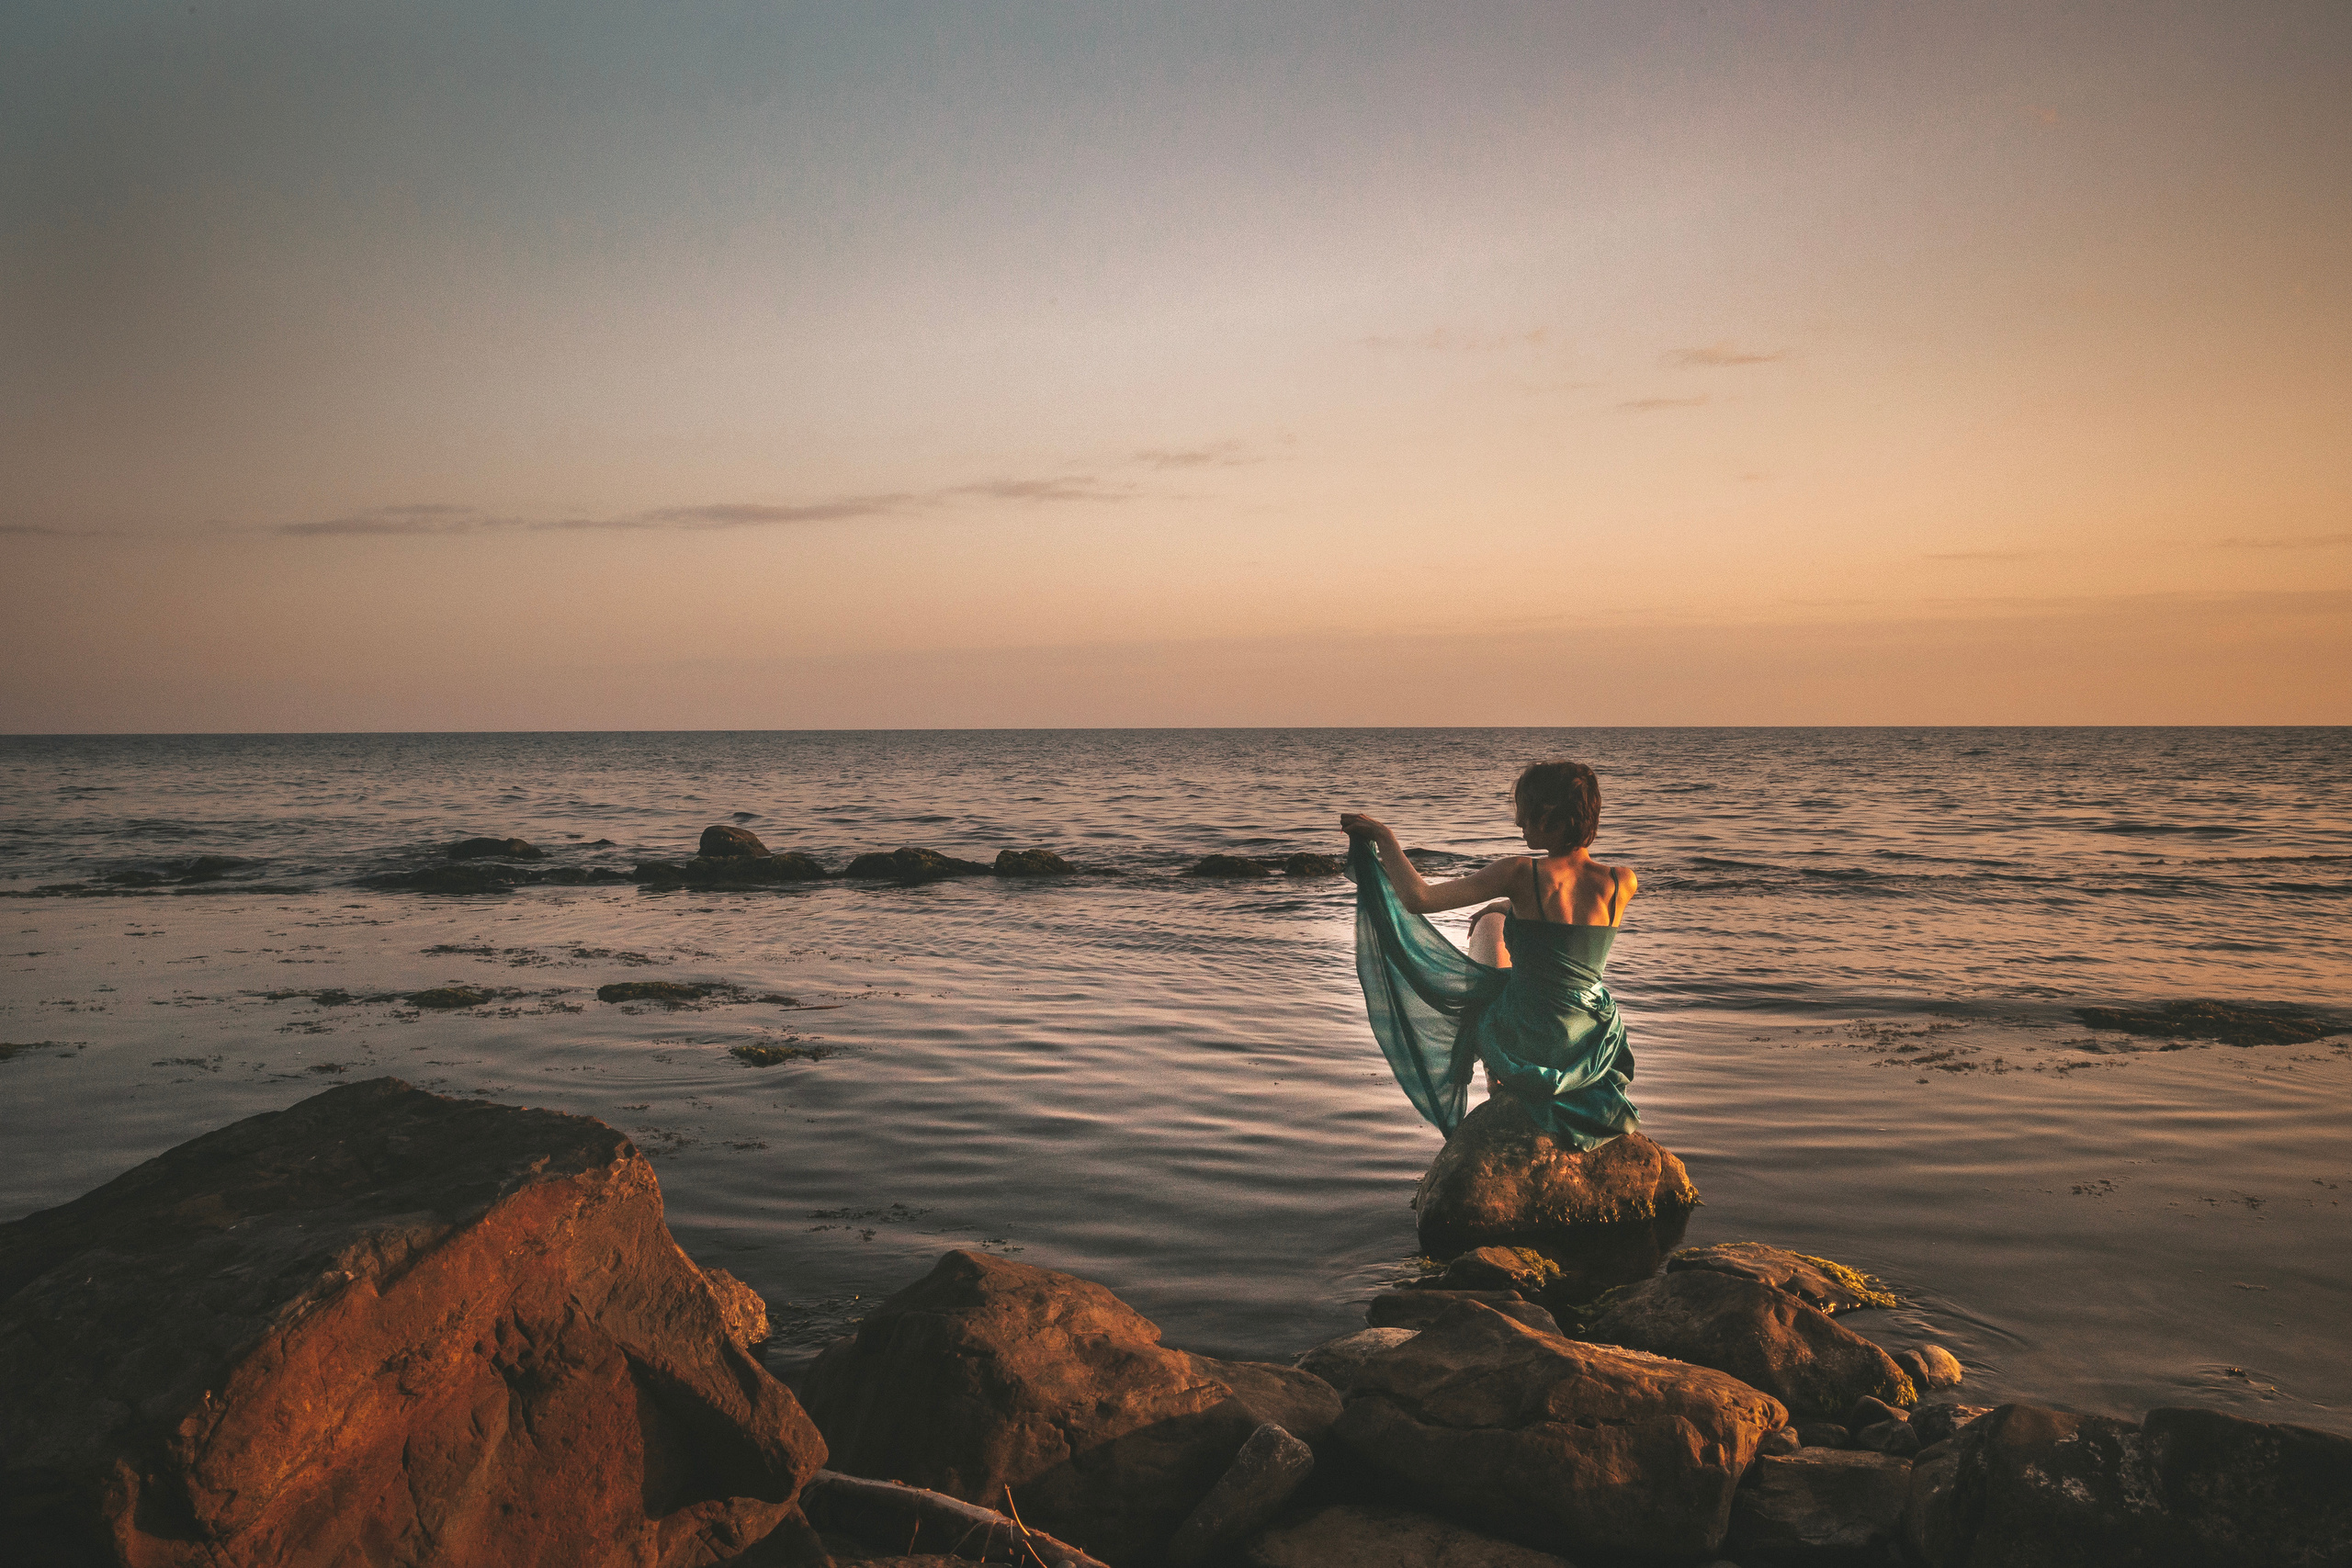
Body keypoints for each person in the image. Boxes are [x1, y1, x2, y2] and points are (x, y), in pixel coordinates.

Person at [1340, 759, 1641, 1148]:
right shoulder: (1621, 881)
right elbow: (1562, 934)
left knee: (1487, 946)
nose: (1519, 822)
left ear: (1549, 814)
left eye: (1524, 810)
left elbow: (1419, 899)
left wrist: (1385, 837)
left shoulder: (1519, 873)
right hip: (1587, 1038)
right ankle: (1517, 1085)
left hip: (1530, 1036)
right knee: (1501, 925)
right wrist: (1506, 908)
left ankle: (1502, 1085)